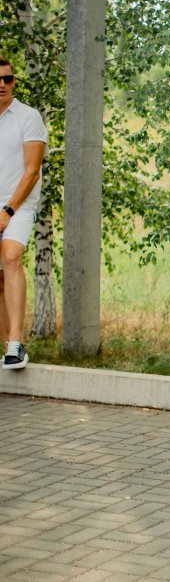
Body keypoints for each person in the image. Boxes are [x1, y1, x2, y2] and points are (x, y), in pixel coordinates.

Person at [0, 57, 47, 369]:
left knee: (11, 255)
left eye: (7, 79)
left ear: (14, 81)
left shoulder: (28, 117)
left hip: (18, 204)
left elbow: (32, 172)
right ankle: (8, 348)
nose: (2, 84)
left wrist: (7, 211)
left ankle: (16, 342)